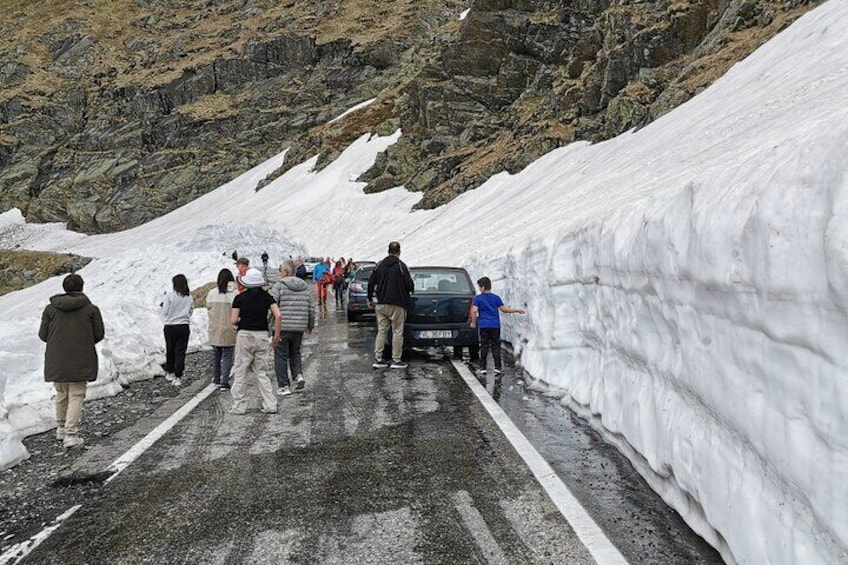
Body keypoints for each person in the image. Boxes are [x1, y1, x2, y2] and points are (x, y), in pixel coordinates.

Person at [38, 273, 105, 448]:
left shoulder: (50, 309)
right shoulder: (91, 309)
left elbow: (43, 335)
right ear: (81, 287)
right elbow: (99, 334)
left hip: (56, 358)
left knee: (61, 394)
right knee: (76, 394)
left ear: (65, 288)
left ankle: (60, 427)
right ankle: (71, 434)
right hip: (81, 357)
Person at [229, 267, 281, 414]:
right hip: (262, 335)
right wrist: (276, 336)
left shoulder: (239, 298)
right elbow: (278, 316)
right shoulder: (267, 297)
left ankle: (239, 405)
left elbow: (233, 320)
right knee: (262, 372)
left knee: (241, 370)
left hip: (245, 335)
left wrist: (242, 321)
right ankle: (270, 404)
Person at [270, 261, 315, 396]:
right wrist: (310, 324)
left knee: (281, 356)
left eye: (280, 270)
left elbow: (272, 304)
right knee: (295, 352)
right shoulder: (304, 286)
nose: (279, 273)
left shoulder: (279, 286)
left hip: (282, 327)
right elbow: (311, 307)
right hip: (299, 327)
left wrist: (269, 323)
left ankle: (283, 386)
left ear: (285, 272)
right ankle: (298, 375)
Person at [368, 241, 414, 369]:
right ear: (399, 252)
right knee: (397, 332)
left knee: (382, 331)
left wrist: (369, 298)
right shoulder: (401, 266)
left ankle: (378, 358)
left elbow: (371, 282)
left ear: (388, 251)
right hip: (398, 304)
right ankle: (396, 360)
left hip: (381, 303)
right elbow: (409, 284)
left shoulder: (379, 265)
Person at [470, 276, 525, 375]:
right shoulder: (496, 298)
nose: (479, 289)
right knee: (496, 347)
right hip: (495, 326)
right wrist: (516, 310)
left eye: (479, 287)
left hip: (483, 326)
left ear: (482, 287)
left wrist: (473, 322)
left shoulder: (478, 298)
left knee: (484, 346)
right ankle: (498, 368)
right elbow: (504, 309)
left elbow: (474, 311)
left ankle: (483, 367)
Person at [206, 269, 237, 390]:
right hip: (229, 328)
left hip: (214, 328)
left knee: (216, 354)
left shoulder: (212, 293)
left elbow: (208, 307)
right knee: (228, 354)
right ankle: (225, 381)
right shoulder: (235, 294)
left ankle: (216, 378)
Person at [161, 274, 193, 387]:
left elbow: (165, 311)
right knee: (180, 351)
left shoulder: (169, 296)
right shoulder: (189, 297)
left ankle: (170, 372)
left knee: (170, 349)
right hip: (184, 326)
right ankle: (178, 375)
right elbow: (191, 311)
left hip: (170, 326)